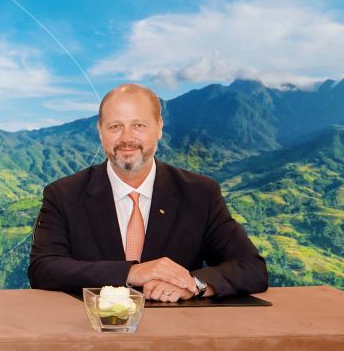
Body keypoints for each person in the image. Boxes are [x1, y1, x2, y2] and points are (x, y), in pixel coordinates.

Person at [28, 83, 268, 300]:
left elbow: (251, 268)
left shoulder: (200, 194)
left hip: (175, 339)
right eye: (115, 127)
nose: (127, 138)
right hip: (92, 336)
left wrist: (194, 285)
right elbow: (44, 269)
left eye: (139, 125)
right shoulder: (63, 194)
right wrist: (130, 272)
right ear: (100, 132)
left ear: (159, 128)